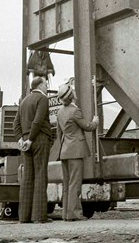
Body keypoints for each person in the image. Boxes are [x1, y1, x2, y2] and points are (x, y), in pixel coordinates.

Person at [56, 81, 99, 222]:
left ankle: (66, 214)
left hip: (65, 151)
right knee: (75, 183)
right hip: (75, 151)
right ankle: (75, 214)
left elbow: (59, 134)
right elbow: (87, 126)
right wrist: (95, 121)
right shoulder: (74, 111)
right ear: (72, 95)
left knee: (67, 184)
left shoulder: (60, 112)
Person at [13, 76, 52, 223]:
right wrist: (31, 138)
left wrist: (21, 139)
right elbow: (38, 120)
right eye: (46, 85)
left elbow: (15, 123)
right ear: (40, 86)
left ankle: (24, 217)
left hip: (25, 142)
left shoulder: (24, 101)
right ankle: (39, 217)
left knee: (28, 178)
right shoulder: (42, 99)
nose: (47, 87)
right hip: (39, 139)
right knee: (41, 176)